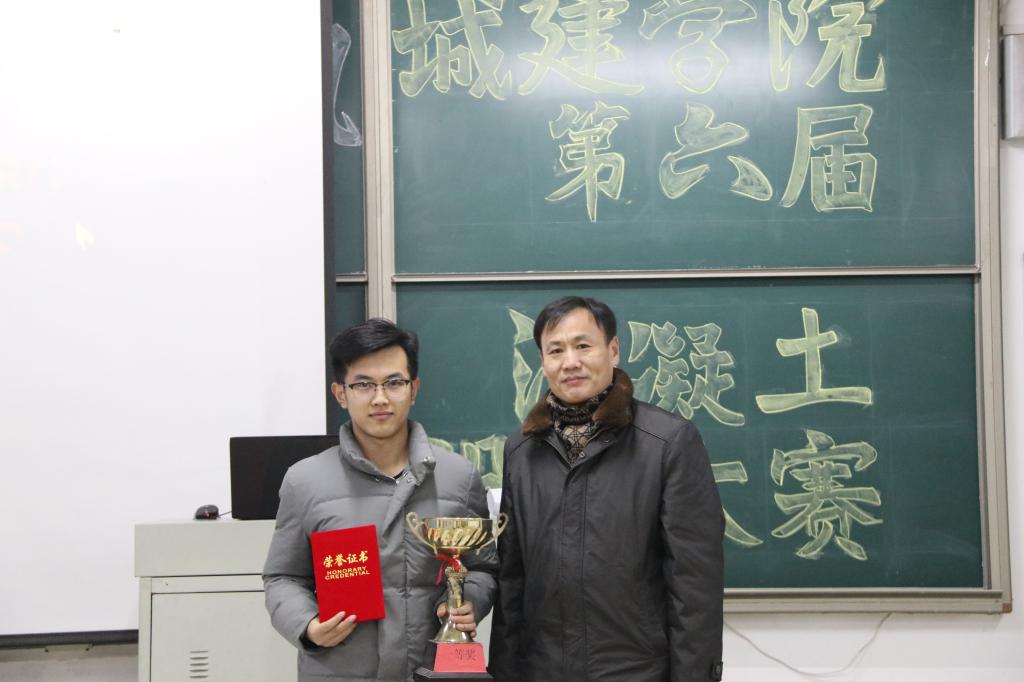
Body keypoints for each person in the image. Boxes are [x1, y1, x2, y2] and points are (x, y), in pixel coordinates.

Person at [489, 296, 725, 682]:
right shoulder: (522, 450)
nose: (570, 362)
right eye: (556, 350)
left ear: (613, 350)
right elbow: (511, 583)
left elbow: (695, 586)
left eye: (583, 345)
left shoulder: (667, 442)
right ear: (542, 361)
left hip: (638, 672)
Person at [263, 318, 498, 682]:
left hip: (432, 670)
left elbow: (482, 568)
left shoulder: (458, 477)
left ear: (414, 389)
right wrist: (307, 626)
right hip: (339, 671)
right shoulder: (305, 481)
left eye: (393, 382)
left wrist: (470, 601)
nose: (380, 398)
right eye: (363, 384)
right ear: (340, 394)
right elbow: (283, 576)